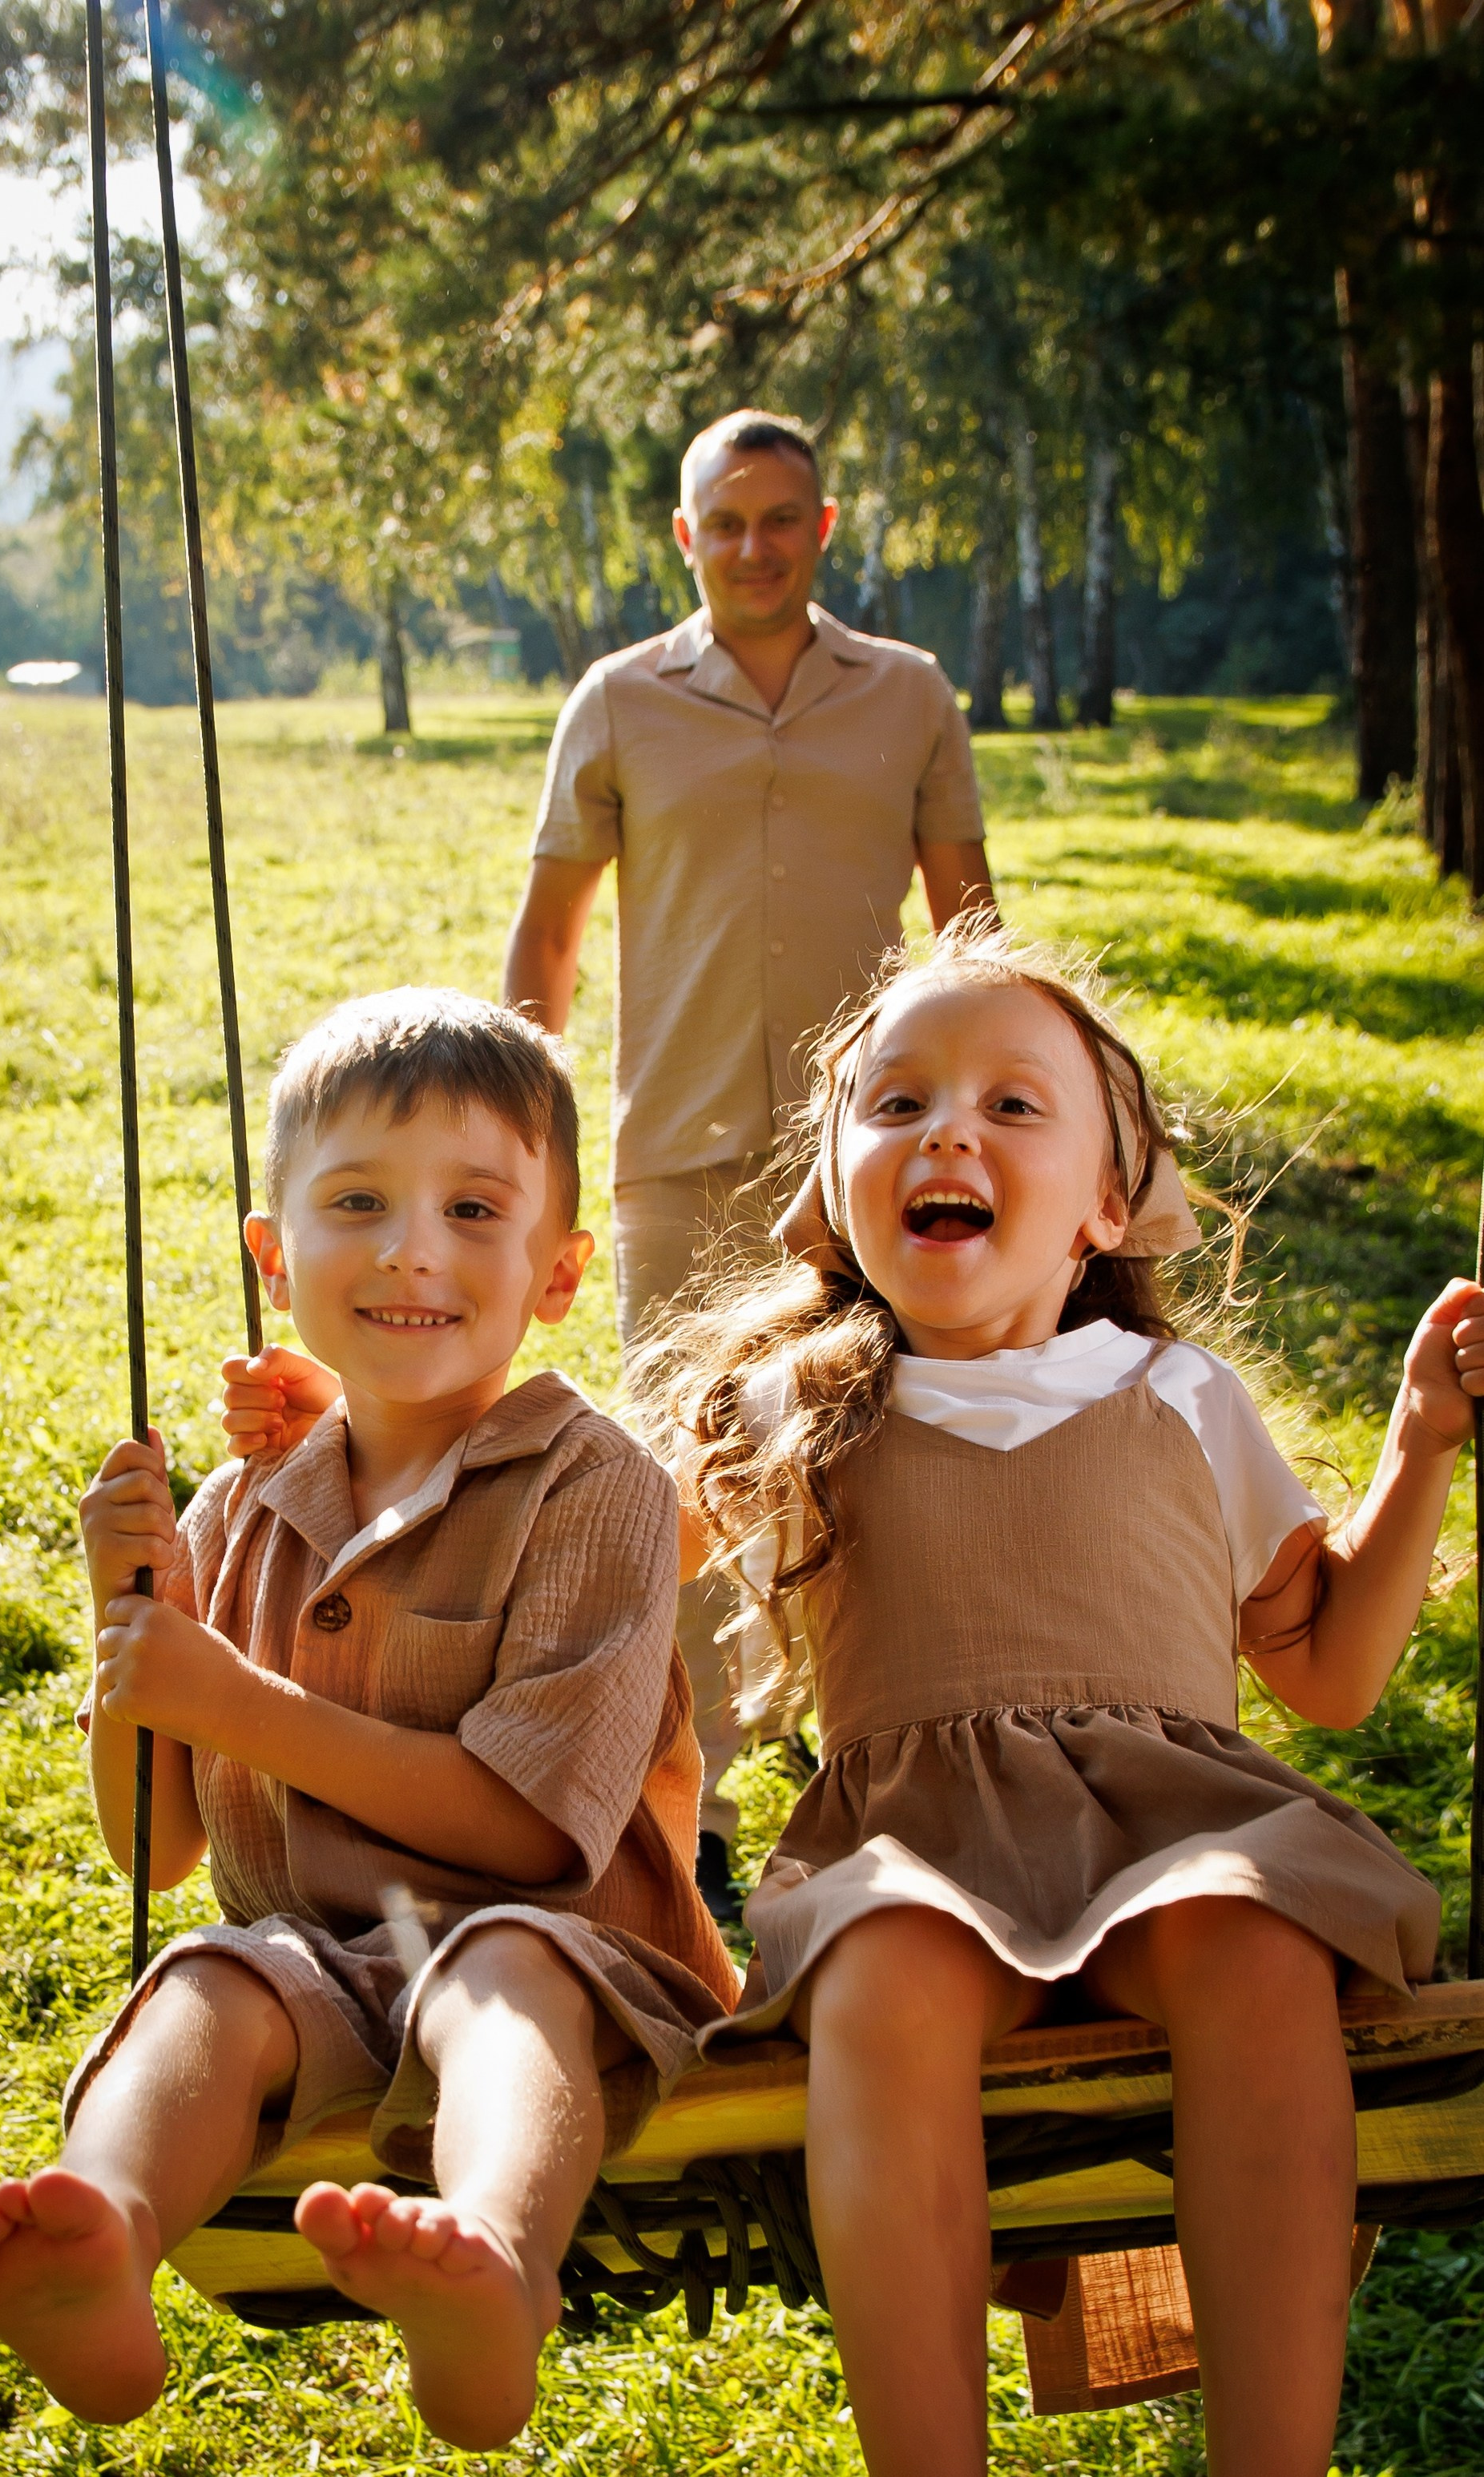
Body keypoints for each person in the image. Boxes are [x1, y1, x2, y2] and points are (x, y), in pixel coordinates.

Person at [649, 918, 1478, 2477]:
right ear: (833, 1188)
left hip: (1179, 1829)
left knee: (1254, 1944)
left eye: (1010, 1105)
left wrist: (1420, 1442)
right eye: (896, 1104)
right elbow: (591, 1558)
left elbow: (1327, 1669)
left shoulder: (1179, 1397)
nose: (945, 1133)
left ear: (1104, 1205)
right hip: (916, 1850)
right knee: (880, 1979)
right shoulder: (789, 1408)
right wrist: (366, 1442)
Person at [0, 990, 738, 2450]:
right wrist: (129, 1623)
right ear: (274, 1255)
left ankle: (494, 2258)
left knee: (501, 1971)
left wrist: (231, 1697)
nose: (409, 1249)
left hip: (576, 1964)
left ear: (558, 1272)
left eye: (472, 1209)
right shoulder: (241, 1507)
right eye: (357, 1202)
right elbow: (158, 1848)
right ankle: (103, 2237)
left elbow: (527, 1837)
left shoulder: (593, 1488)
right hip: (320, 1970)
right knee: (206, 1981)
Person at [504, 408, 994, 1912]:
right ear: (685, 535)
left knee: (885, 1460)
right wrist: (521, 1153)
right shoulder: (617, 702)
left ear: (822, 527)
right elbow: (548, 939)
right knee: (682, 1479)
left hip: (872, 1165)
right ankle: (694, 1816)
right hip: (676, 1148)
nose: (753, 546)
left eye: (781, 518)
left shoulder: (908, 695)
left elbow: (972, 933)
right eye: (725, 520)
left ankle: (879, 1773)